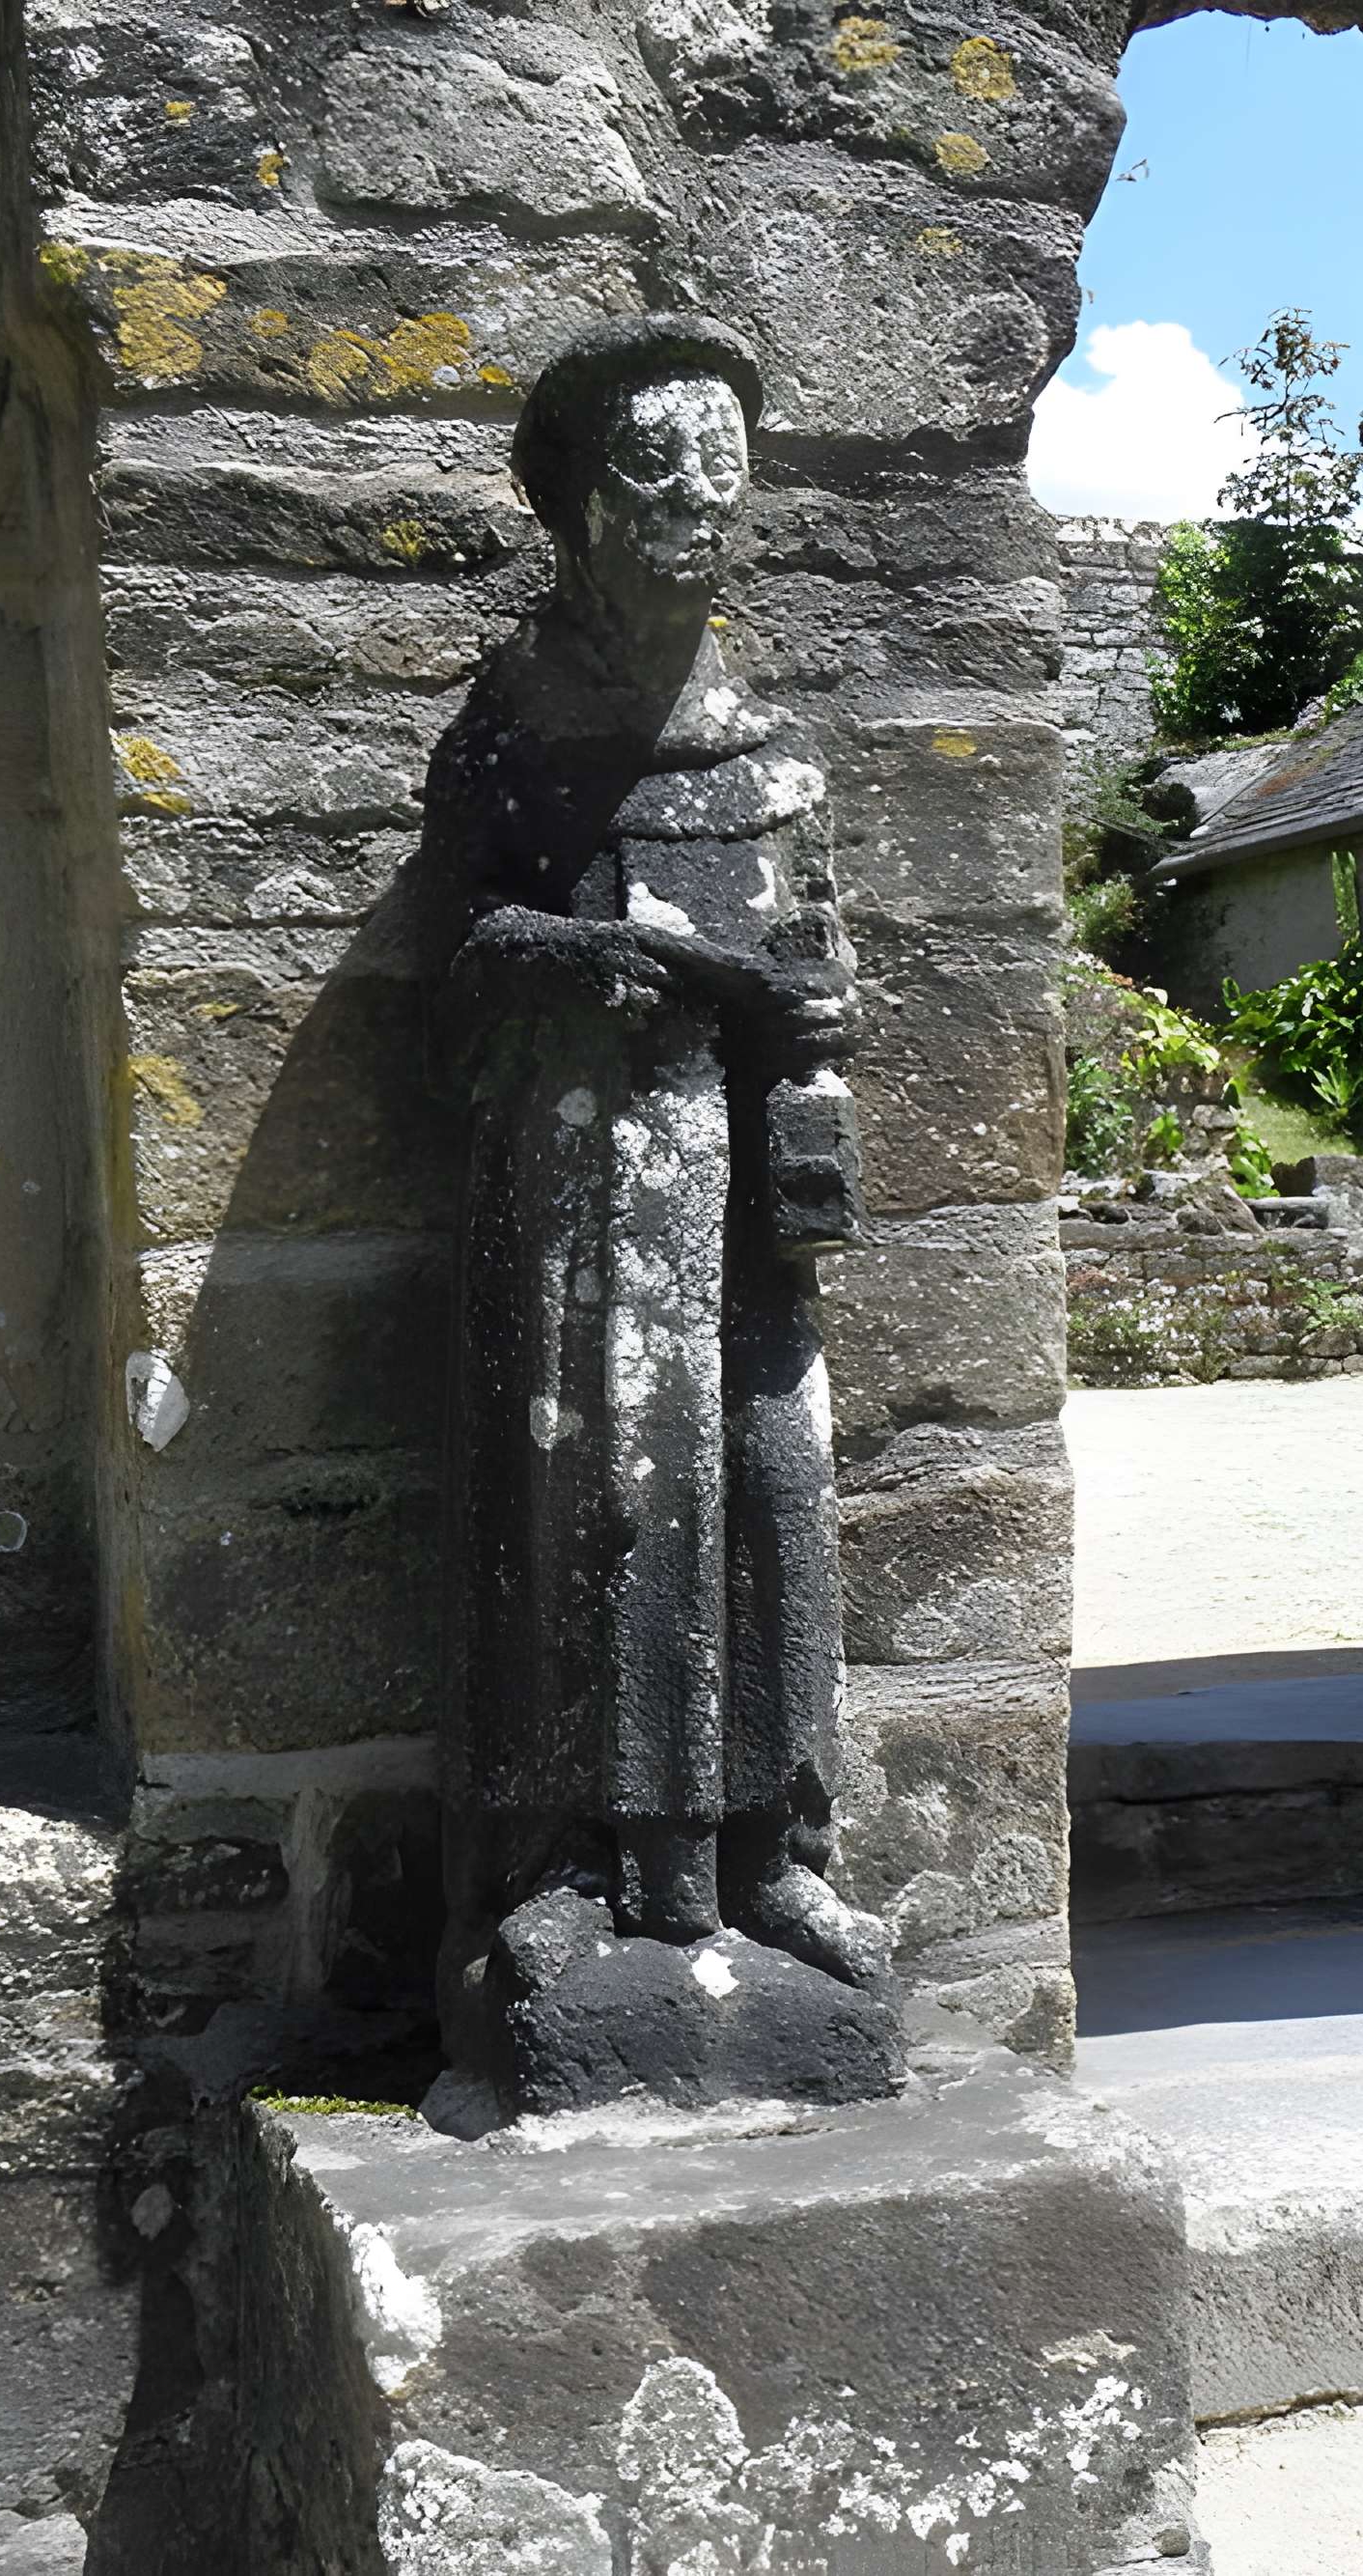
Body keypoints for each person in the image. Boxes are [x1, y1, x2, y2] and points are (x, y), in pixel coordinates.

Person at [426, 315, 890, 2075]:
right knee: (591, 1505)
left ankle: (778, 1859)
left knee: (773, 1496)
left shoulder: (770, 747)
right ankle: (570, 1878)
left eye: (723, 464)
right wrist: (586, 956)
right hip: (579, 1198)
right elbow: (457, 961)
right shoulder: (521, 730)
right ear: (576, 507)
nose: (698, 501)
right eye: (654, 467)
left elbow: (822, 960)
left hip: (747, 1213)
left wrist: (811, 1055)